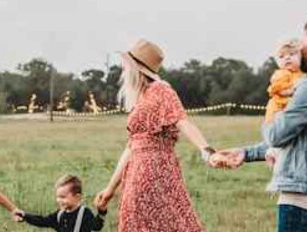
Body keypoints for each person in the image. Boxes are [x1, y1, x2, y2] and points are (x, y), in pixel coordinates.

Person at [214, 15, 307, 232]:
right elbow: (298, 139)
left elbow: (276, 135)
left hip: (301, 201)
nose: (300, 50)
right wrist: (247, 153)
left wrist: (273, 108)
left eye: (303, 44)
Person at [93, 39, 224, 232]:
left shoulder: (161, 90)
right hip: (136, 173)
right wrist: (110, 190)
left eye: (127, 65)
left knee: (168, 224)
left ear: (136, 68)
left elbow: (183, 121)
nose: (123, 69)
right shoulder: (141, 97)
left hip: (157, 172)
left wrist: (208, 151)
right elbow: (132, 147)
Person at [265, 39, 306, 167]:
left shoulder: (302, 74)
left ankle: (278, 154)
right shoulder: (281, 74)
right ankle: (272, 152)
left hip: (289, 110)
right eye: (282, 56)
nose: (287, 58)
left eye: (292, 54)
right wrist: (293, 91)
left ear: (301, 57)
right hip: (278, 110)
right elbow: (279, 89)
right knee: (280, 133)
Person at [14, 175, 106, 232]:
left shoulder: (84, 213)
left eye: (63, 197)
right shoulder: (60, 214)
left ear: (77, 197)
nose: (59, 200)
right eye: (58, 197)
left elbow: (96, 227)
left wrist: (101, 212)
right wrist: (25, 216)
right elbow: (43, 221)